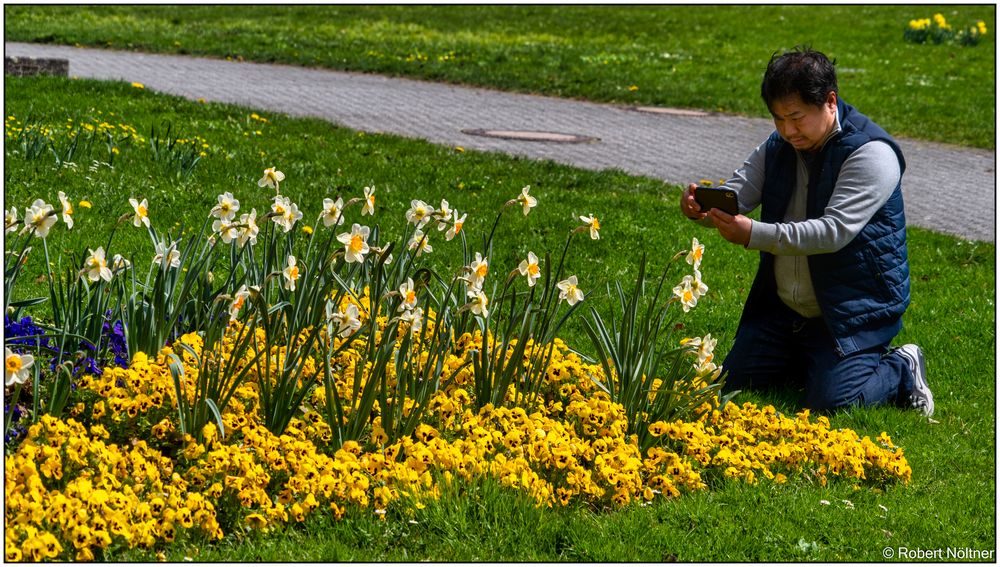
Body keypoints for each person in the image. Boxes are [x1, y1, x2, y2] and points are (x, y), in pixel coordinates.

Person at [679, 46, 933, 416]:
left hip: (849, 312)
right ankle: (812, 362)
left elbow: (832, 233)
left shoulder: (872, 154)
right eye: (779, 118)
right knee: (735, 382)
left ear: (830, 101)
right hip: (783, 311)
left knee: (831, 404)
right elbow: (739, 191)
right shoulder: (778, 144)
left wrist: (752, 234)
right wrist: (701, 208)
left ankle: (901, 367)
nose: (787, 130)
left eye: (796, 117)